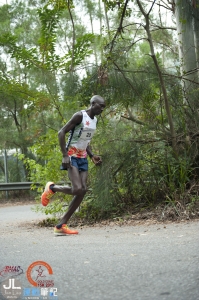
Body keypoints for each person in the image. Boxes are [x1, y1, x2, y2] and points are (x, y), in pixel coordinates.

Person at [41, 95, 106, 235]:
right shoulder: (79, 116)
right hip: (71, 156)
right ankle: (52, 188)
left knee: (82, 190)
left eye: (103, 107)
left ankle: (60, 225)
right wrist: (65, 155)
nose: (102, 108)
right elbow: (61, 132)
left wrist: (92, 155)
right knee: (77, 189)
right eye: (100, 105)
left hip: (83, 157)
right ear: (92, 103)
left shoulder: (94, 121)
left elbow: (85, 141)